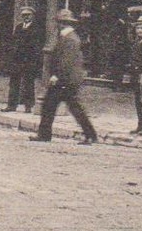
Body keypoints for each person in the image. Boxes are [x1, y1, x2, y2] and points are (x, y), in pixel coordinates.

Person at [32, 9, 98, 144]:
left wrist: (56, 75)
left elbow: (66, 61)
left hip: (65, 80)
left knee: (65, 107)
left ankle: (90, 135)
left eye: (63, 23)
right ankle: (45, 134)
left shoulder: (70, 39)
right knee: (55, 106)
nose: (61, 25)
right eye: (61, 22)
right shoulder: (65, 37)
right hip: (66, 79)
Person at [3, 6, 43, 113]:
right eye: (24, 15)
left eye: (28, 15)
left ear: (32, 16)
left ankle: (28, 106)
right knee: (14, 83)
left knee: (28, 83)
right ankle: (11, 105)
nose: (26, 17)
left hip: (29, 60)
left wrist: (34, 60)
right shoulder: (19, 27)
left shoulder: (36, 29)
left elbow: (36, 46)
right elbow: (14, 42)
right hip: (17, 60)